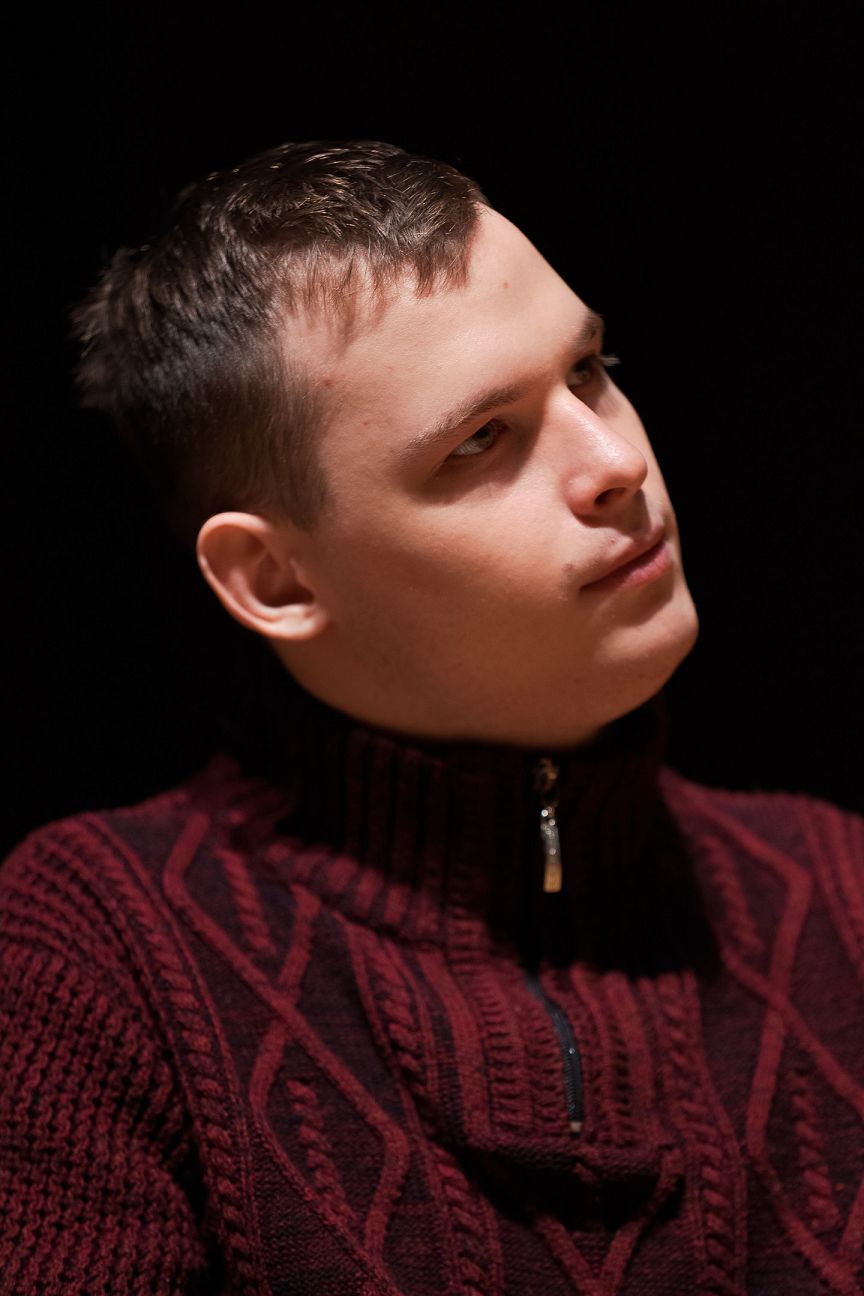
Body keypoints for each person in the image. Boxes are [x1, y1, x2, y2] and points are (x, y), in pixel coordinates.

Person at [1, 140, 861, 1296]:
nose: (617, 461)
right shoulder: (98, 954)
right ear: (276, 580)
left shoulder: (842, 895)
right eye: (481, 440)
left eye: (591, 370)